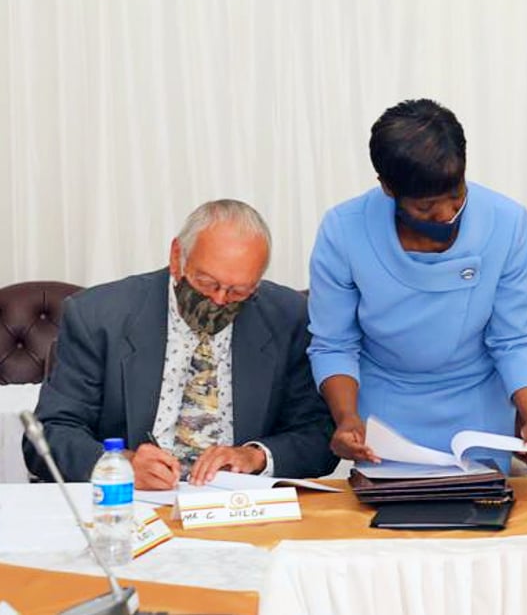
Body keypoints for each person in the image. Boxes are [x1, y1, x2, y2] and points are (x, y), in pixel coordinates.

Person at [307, 99, 527, 471]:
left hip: (477, 411)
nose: (446, 214)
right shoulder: (344, 230)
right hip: (384, 415)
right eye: (425, 208)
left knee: (481, 518)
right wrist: (346, 419)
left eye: (456, 197)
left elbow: (513, 338)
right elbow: (334, 344)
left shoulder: (507, 222)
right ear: (387, 188)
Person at [25, 200, 337, 487]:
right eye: (207, 283)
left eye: (238, 292)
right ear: (177, 257)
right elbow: (48, 435)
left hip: (239, 508)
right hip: (131, 505)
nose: (218, 300)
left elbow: (318, 434)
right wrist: (121, 466)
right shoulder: (99, 316)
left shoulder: (287, 316)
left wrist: (256, 457)